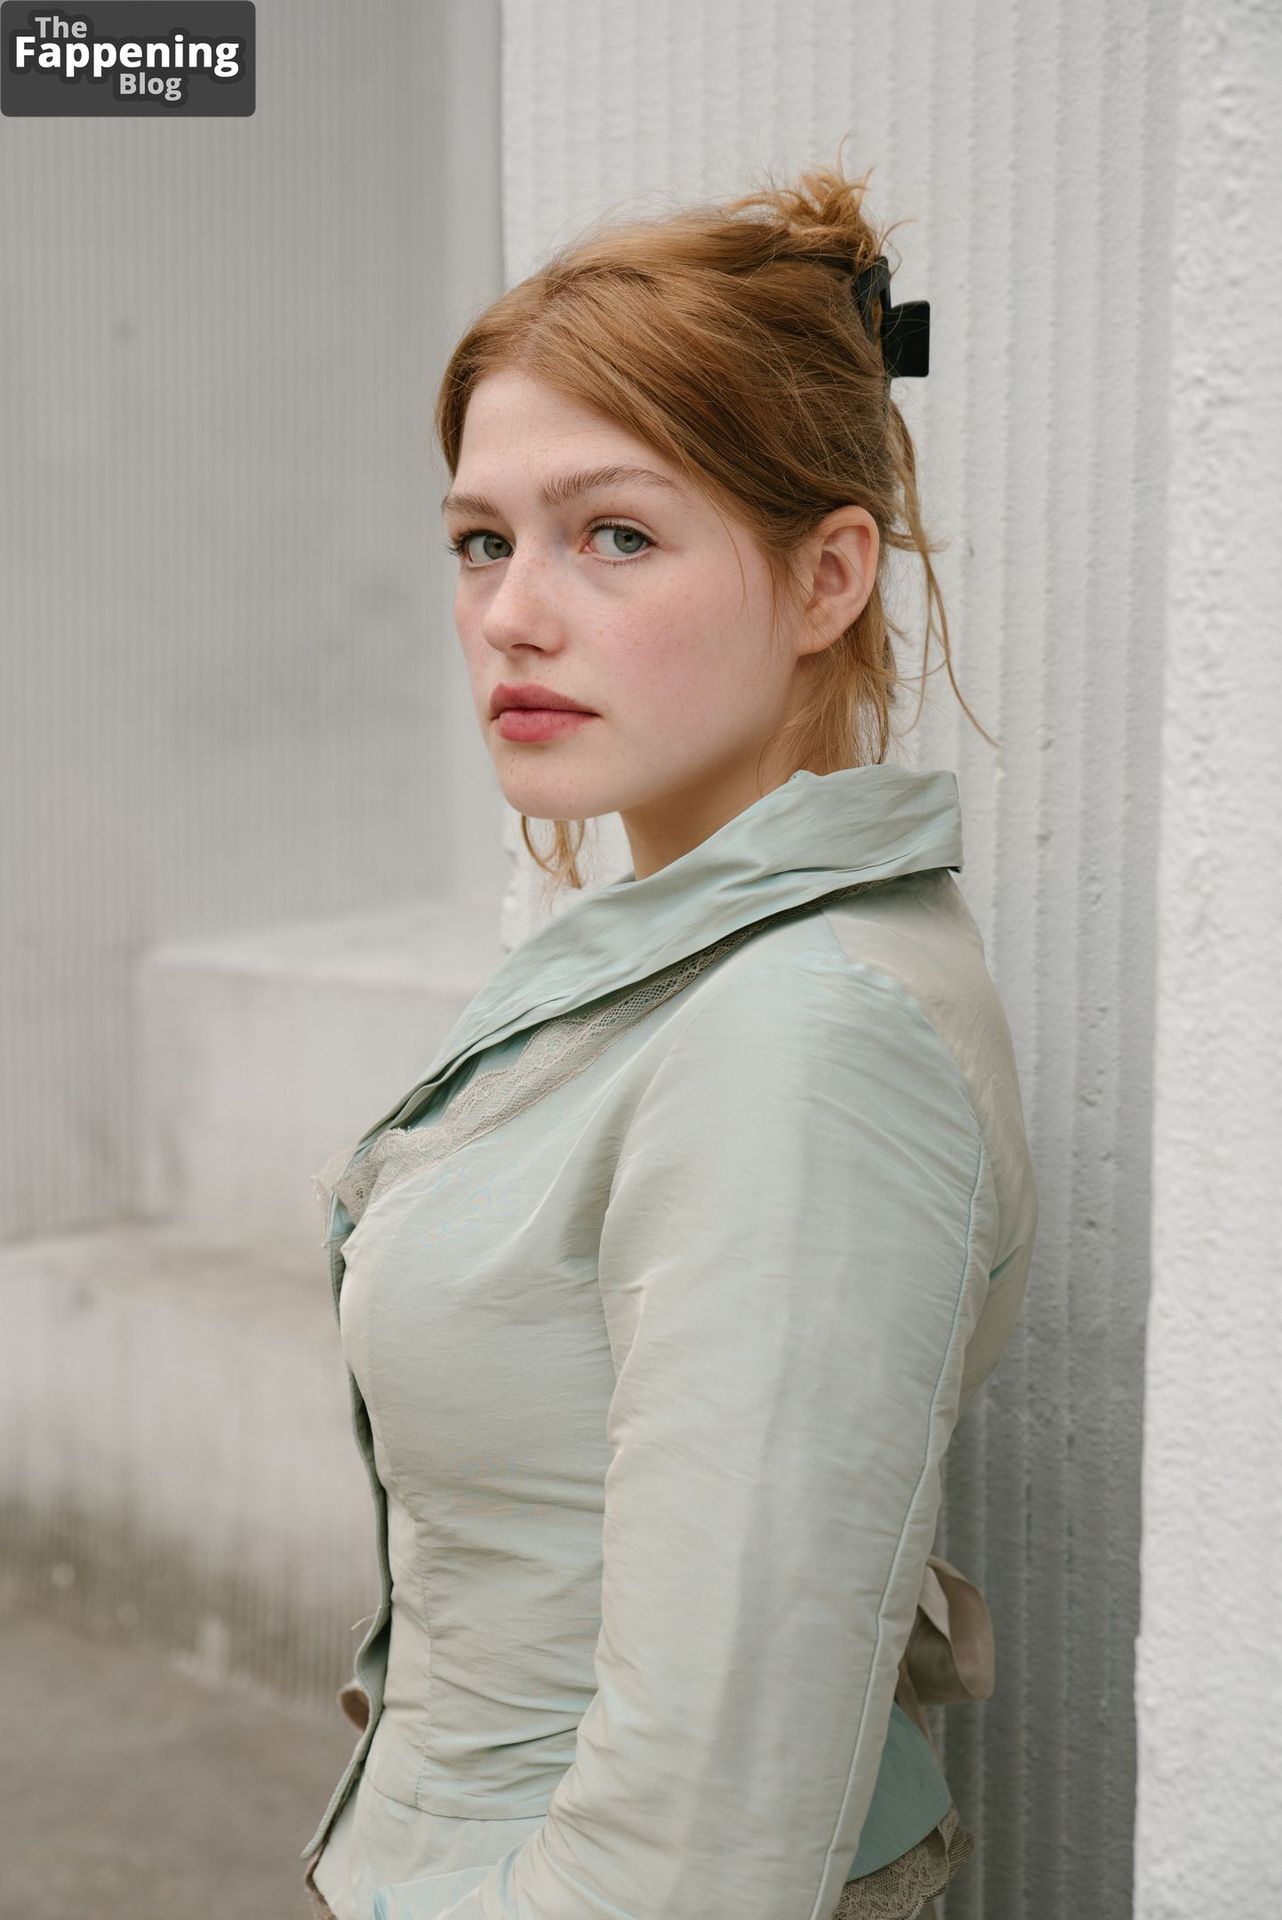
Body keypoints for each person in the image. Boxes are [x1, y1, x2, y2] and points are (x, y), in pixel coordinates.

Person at [299, 149, 1039, 1920]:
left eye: (614, 535)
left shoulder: (806, 1036)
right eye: (483, 541)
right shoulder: (679, 966)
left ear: (826, 579)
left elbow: (710, 1833)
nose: (511, 613)